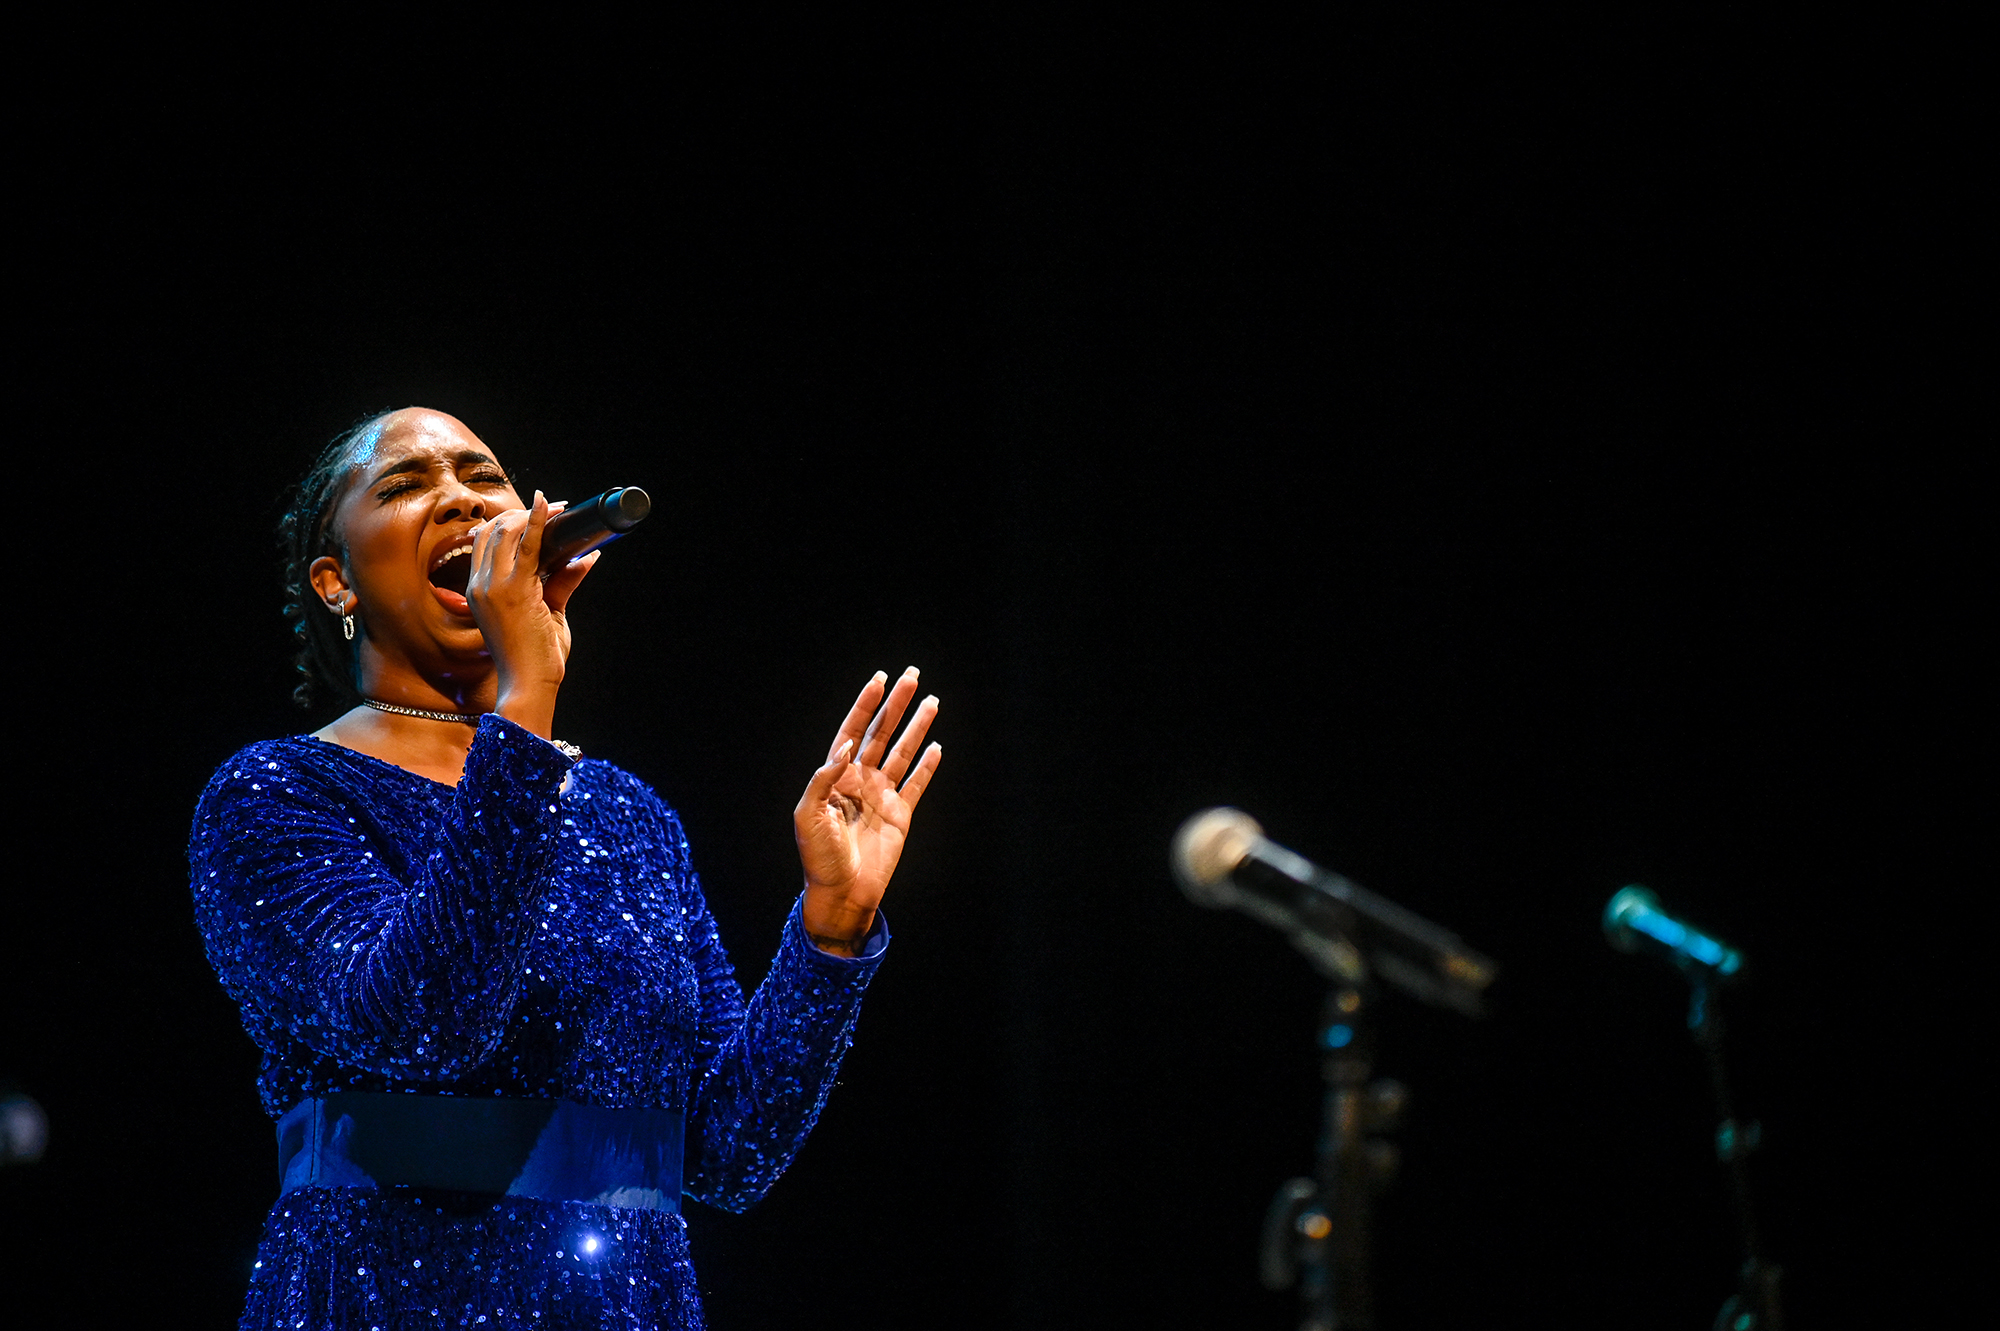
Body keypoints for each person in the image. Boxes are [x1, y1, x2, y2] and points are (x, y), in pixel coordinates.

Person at [188, 407, 942, 1329]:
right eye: (405, 484)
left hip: (634, 1302)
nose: (460, 499)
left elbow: (727, 1155)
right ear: (335, 583)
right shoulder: (276, 792)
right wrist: (527, 701)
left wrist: (831, 928)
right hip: (387, 1291)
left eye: (482, 476)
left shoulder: (626, 812)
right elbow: (425, 1024)